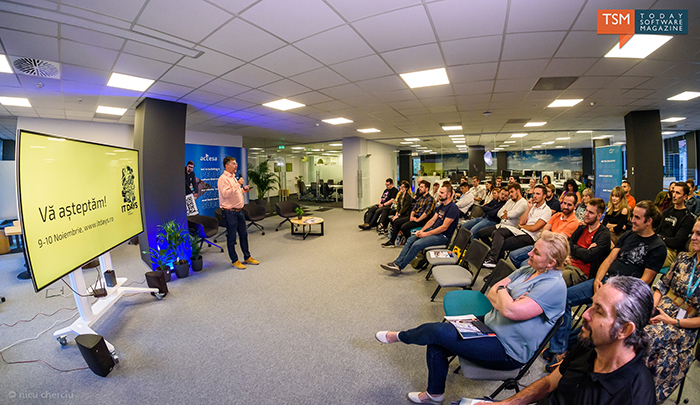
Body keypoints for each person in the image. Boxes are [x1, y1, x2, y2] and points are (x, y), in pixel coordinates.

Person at [376, 231, 568, 404]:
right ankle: (435, 394)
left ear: (551, 262)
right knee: (436, 341)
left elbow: (511, 311)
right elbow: (493, 290)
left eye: (536, 253)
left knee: (436, 332)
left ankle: (400, 336)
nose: (529, 253)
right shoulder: (528, 270)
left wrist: (504, 296)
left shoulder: (552, 286)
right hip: (489, 324)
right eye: (533, 249)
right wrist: (507, 297)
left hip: (506, 349)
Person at [479, 276, 655, 405]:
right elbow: (550, 383)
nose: (586, 315)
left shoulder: (634, 397)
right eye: (591, 305)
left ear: (624, 330)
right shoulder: (591, 344)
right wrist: (506, 403)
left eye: (599, 311)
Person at [545, 200, 665, 371]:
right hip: (605, 281)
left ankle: (563, 348)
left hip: (623, 294)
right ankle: (560, 349)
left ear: (649, 221)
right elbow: (609, 260)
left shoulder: (658, 247)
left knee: (595, 321)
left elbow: (644, 281)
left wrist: (612, 292)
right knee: (564, 298)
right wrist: (597, 281)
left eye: (637, 218)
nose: (632, 220)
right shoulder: (628, 235)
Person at [646, 217, 700, 403]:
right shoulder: (683, 258)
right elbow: (662, 286)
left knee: (648, 337)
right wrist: (653, 307)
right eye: (693, 232)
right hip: (662, 308)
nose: (693, 237)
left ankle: (640, 392)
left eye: (699, 234)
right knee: (630, 322)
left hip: (684, 325)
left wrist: (672, 321)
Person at [381, 184, 459, 274]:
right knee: (410, 239)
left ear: (448, 194)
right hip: (434, 232)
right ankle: (397, 262)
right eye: (439, 192)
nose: (439, 194)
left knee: (416, 244)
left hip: (442, 236)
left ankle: (400, 266)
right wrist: (422, 231)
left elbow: (444, 227)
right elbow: (432, 220)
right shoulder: (442, 206)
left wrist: (425, 234)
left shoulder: (453, 208)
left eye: (442, 193)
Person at [507, 193, 581, 271]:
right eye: (564, 203)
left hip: (552, 251)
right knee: (513, 255)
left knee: (524, 264)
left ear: (575, 206)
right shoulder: (557, 215)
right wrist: (550, 235)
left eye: (569, 205)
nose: (565, 207)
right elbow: (543, 232)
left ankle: (532, 273)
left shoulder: (574, 222)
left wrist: (547, 234)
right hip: (542, 244)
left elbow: (558, 240)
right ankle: (530, 273)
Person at [482, 184, 551, 268]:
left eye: (538, 194)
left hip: (531, 237)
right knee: (498, 232)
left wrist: (523, 226)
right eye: (534, 193)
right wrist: (529, 208)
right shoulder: (532, 207)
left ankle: (495, 263)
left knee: (501, 243)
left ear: (544, 196)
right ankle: (493, 261)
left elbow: (534, 228)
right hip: (520, 231)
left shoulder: (547, 210)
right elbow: (521, 221)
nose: (535, 196)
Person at [218, 156, 259, 269]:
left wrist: (243, 190)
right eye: (233, 163)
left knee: (243, 235)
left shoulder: (233, 177)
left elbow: (235, 192)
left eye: (236, 163)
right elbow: (225, 194)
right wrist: (238, 184)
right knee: (232, 237)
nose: (236, 165)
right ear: (227, 165)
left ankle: (247, 257)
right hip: (230, 212)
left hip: (239, 211)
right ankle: (234, 260)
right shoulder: (223, 179)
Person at [565, 198, 612, 287]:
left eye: (591, 212)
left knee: (557, 279)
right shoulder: (582, 228)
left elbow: (589, 256)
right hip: (568, 264)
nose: (586, 214)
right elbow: (568, 245)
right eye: (586, 210)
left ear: (599, 216)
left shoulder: (603, 234)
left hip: (582, 273)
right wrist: (583, 250)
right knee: (545, 271)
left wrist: (574, 248)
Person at [383, 180, 435, 247]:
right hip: (415, 217)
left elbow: (426, 213)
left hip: (423, 220)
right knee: (396, 222)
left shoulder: (430, 199)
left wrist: (417, 220)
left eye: (422, 187)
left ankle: (409, 243)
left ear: (427, 188)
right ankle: (393, 241)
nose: (419, 188)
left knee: (403, 227)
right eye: (420, 187)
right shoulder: (420, 198)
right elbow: (413, 209)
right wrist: (412, 217)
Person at [656, 182, 694, 267]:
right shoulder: (666, 212)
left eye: (678, 193)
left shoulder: (687, 218)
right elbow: (657, 230)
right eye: (673, 192)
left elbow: (677, 242)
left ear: (685, 197)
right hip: (658, 245)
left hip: (672, 251)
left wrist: (660, 238)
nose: (674, 195)